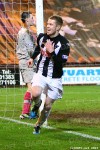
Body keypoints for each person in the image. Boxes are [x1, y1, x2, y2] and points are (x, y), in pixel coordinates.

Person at [28, 15, 70, 134]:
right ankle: (36, 105)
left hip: (55, 78)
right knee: (35, 94)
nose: (48, 26)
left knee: (47, 107)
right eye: (48, 23)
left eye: (51, 24)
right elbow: (38, 48)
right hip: (41, 73)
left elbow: (60, 64)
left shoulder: (64, 44)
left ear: (58, 27)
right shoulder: (42, 37)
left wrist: (51, 53)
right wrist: (32, 58)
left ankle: (38, 125)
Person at [16, 11, 42, 119]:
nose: (33, 19)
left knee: (32, 87)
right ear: (27, 20)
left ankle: (26, 112)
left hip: (28, 62)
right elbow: (31, 50)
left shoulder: (26, 32)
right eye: (32, 18)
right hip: (26, 62)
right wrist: (41, 50)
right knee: (32, 89)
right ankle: (35, 108)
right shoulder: (24, 33)